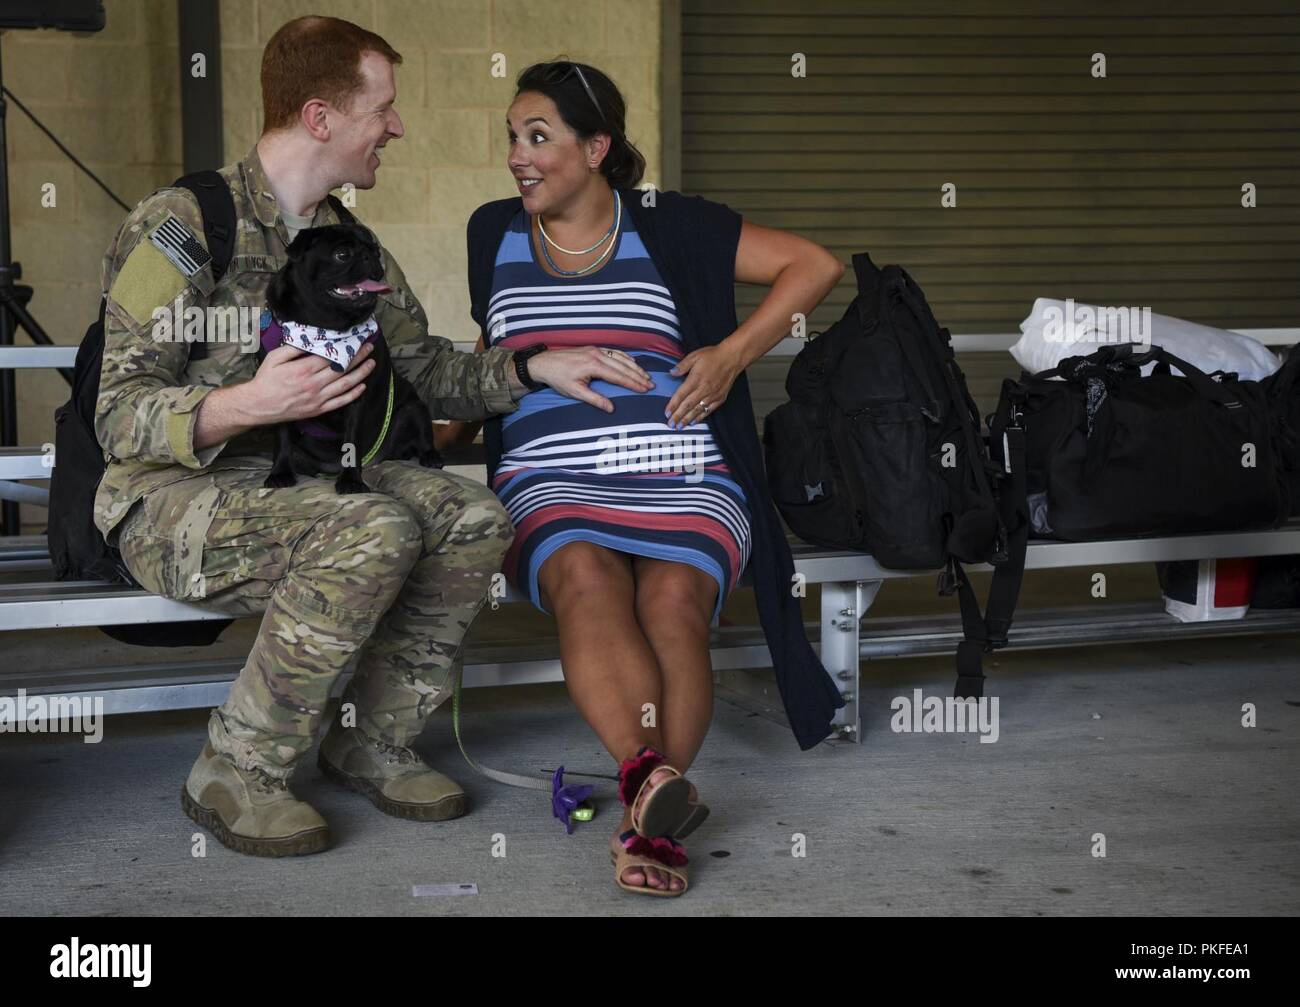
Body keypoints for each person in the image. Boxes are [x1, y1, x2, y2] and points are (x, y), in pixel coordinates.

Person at [92, 18, 636, 858]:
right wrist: (247, 402)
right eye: (382, 108)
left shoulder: (347, 241)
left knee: (471, 514)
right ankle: (237, 767)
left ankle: (370, 737)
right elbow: (118, 412)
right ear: (320, 117)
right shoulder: (180, 225)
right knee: (371, 526)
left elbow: (421, 369)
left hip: (303, 481)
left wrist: (535, 369)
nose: (397, 126)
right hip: (172, 498)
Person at [449, 60, 847, 895]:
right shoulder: (494, 230)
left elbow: (814, 263)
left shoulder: (673, 224)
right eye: (512, 139)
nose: (518, 157)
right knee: (584, 574)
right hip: (550, 472)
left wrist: (733, 354)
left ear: (596, 147)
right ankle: (649, 798)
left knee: (673, 600)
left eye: (538, 137)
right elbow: (492, 359)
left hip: (681, 464)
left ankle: (645, 806)